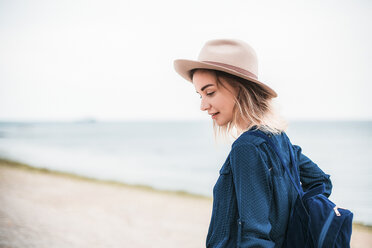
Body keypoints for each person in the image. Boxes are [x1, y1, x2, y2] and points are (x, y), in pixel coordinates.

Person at [173, 39, 333, 247]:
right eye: (200, 94)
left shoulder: (246, 148)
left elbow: (254, 237)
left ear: (239, 88)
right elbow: (321, 182)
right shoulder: (278, 138)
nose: (203, 105)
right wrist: (293, 223)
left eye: (210, 92)